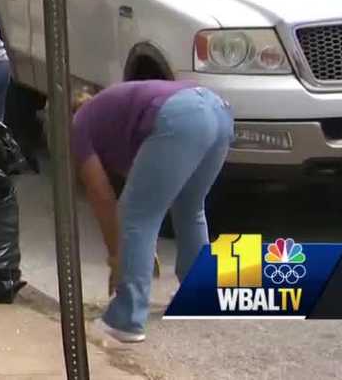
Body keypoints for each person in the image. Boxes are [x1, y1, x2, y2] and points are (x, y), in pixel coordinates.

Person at [71, 80, 234, 343]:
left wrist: (117, 258)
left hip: (183, 115)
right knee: (190, 205)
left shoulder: (78, 125)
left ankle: (126, 319)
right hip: (218, 110)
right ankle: (200, 293)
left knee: (136, 214)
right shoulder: (112, 117)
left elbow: (102, 196)